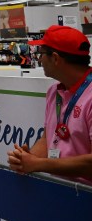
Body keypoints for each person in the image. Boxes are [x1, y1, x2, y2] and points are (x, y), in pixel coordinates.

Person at [8, 26, 92, 182]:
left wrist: (39, 164)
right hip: (58, 190)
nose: (39, 59)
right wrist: (27, 159)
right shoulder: (54, 92)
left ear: (55, 58)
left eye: (41, 54)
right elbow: (48, 138)